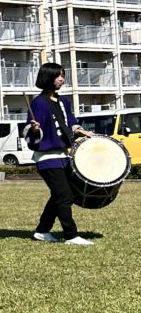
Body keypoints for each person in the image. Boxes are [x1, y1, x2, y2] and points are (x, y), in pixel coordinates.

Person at [24, 62, 96, 245]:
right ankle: (71, 235)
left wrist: (82, 131)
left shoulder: (63, 101)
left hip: (64, 155)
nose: (61, 79)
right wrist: (35, 129)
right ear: (47, 77)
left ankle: (42, 231)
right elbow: (29, 131)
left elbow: (70, 122)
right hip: (47, 158)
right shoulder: (38, 103)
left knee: (61, 194)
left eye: (63, 75)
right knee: (64, 195)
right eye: (57, 76)